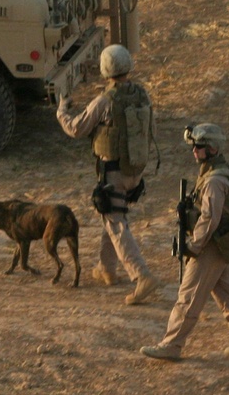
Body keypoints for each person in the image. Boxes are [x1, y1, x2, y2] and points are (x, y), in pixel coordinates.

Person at [140, 123, 229, 362]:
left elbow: (210, 217)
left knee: (188, 296)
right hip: (222, 244)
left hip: (210, 245)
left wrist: (194, 247)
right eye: (194, 146)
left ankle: (171, 345)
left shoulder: (215, 180)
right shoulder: (216, 173)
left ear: (213, 149)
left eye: (199, 147)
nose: (194, 151)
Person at [56, 44, 161, 305]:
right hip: (135, 170)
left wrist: (61, 111)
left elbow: (76, 129)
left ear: (105, 71)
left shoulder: (105, 101)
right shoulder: (142, 95)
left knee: (116, 223)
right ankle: (107, 269)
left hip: (113, 171)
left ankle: (141, 276)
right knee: (112, 217)